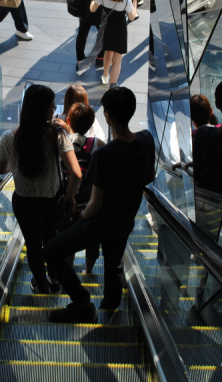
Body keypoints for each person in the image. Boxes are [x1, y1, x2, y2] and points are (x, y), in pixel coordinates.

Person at [43, 87, 156, 322]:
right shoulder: (146, 140)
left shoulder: (105, 154)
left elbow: (94, 204)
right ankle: (110, 305)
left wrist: (82, 218)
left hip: (100, 222)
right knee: (113, 263)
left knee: (52, 251)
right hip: (125, 219)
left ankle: (82, 302)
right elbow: (148, 177)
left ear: (107, 116)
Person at [0, 84, 82, 294]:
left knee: (33, 245)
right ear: (43, 109)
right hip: (51, 202)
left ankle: (41, 284)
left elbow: (0, 169)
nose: (54, 110)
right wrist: (70, 197)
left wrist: (16, 166)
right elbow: (77, 174)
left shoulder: (8, 137)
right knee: (51, 240)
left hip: (24, 202)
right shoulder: (56, 135)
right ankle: (55, 281)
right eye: (52, 107)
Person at [63, 102, 105, 274]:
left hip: (67, 200)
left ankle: (69, 270)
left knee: (67, 237)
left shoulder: (62, 142)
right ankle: (88, 270)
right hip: (91, 203)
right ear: (90, 124)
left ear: (69, 122)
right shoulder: (99, 144)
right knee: (92, 239)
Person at [89, 0, 138, 86]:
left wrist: (94, 0)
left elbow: (92, 9)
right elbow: (132, 17)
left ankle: (105, 76)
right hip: (120, 30)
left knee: (108, 51)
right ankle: (112, 87)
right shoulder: (126, 1)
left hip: (107, 28)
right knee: (117, 61)